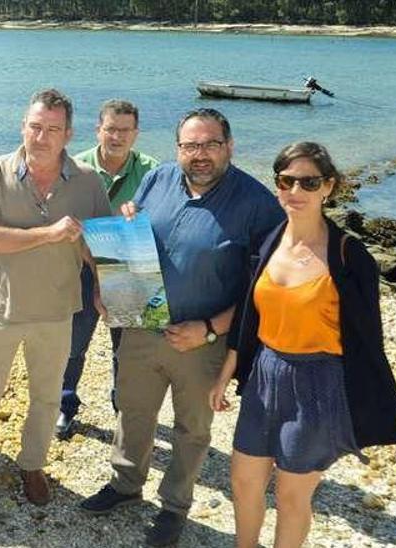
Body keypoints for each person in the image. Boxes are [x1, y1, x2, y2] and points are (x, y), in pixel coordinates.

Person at [79, 108, 284, 548]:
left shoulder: (257, 203)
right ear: (178, 149)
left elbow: (265, 289)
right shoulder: (158, 179)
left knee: (192, 429)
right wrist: (112, 278)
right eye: (191, 145)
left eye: (211, 144)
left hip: (203, 340)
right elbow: (136, 237)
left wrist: (210, 329)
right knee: (133, 411)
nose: (201, 155)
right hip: (141, 326)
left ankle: (174, 506)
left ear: (229, 146)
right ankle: (125, 484)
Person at [209, 142, 396, 548]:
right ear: (277, 186)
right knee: (244, 483)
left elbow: (369, 339)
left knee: (291, 495)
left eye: (308, 182)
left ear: (328, 188)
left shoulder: (349, 256)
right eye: (286, 181)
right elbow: (249, 315)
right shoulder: (268, 241)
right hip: (264, 376)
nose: (296, 191)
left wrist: (365, 405)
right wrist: (226, 374)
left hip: (318, 383)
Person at [0, 89, 112, 511]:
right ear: (23, 127)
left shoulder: (89, 179)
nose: (42, 136)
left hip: (57, 313)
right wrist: (49, 234)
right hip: (0, 311)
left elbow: (101, 245)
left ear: (68, 134)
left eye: (53, 129)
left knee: (46, 398)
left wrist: (110, 286)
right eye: (35, 126)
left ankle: (32, 466)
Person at [58, 99, 161, 440]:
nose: (116, 136)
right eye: (110, 129)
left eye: (124, 130)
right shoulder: (74, 167)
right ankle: (65, 405)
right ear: (98, 129)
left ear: (136, 134)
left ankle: (123, 409)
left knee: (126, 347)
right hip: (81, 268)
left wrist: (142, 215)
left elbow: (163, 223)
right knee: (74, 344)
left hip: (130, 270)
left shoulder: (153, 172)